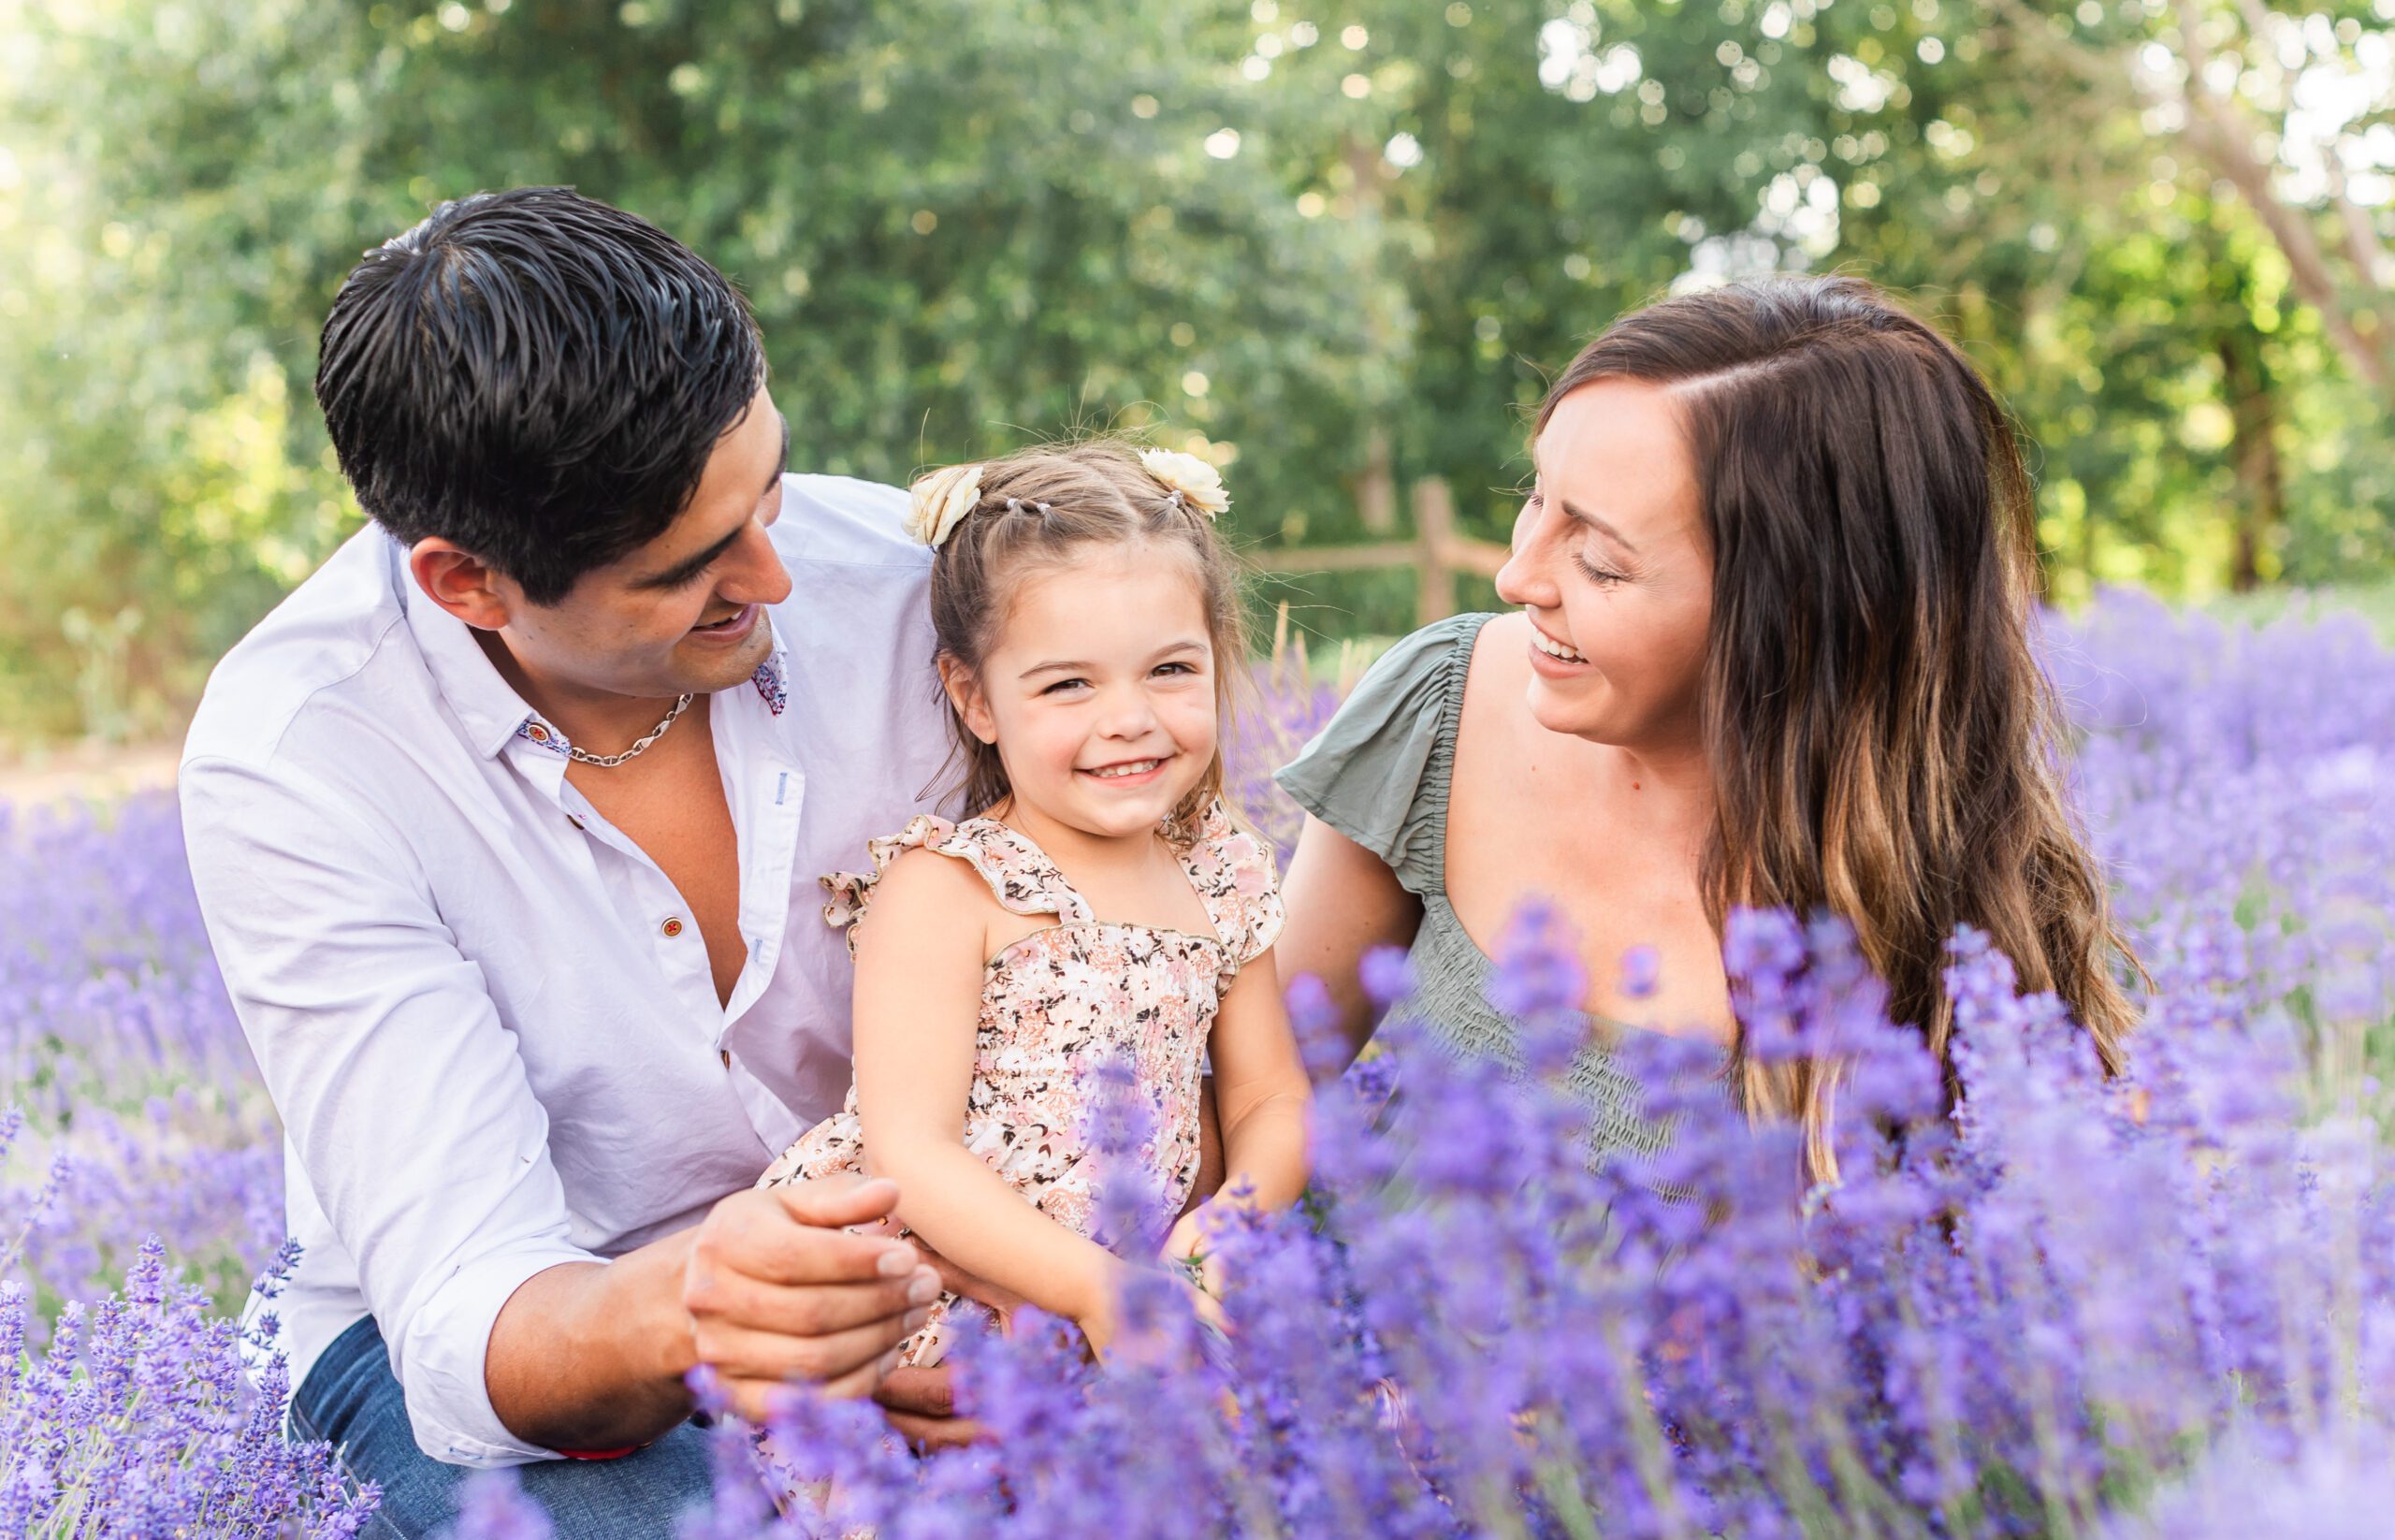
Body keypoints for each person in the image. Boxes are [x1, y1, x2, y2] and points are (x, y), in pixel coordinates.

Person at [180, 187, 980, 1535]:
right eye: (688, 567)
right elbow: (470, 1307)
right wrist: (708, 1308)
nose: (778, 577)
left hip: (950, 1258)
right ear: (466, 583)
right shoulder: (299, 755)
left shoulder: (912, 588)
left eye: (771, 488)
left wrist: (1027, 1288)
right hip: (553, 1322)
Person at [1275, 275, 2137, 1182]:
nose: (1516, 575)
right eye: (1536, 497)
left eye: (1600, 562)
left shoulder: (1933, 923)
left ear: (1797, 616)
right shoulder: (1439, 707)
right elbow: (1251, 1100)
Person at [756, 443, 1310, 1375]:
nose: (1128, 715)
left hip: (1147, 1292)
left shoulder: (1218, 871)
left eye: (1170, 669)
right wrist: (1088, 1287)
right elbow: (913, 1149)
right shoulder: (950, 883)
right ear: (975, 698)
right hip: (945, 1292)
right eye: (1068, 683)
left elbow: (1269, 1092)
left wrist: (1231, 1223)